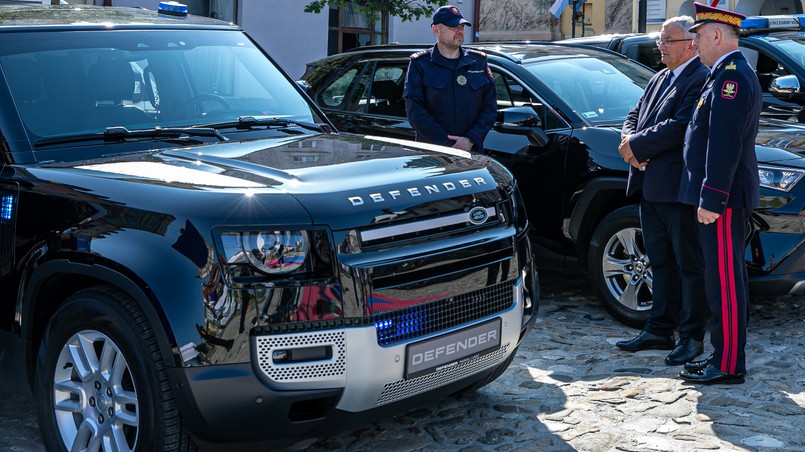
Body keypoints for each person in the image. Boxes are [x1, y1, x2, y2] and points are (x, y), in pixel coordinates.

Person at [615, 16, 709, 367]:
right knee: (660, 261)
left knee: (688, 264)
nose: (661, 46)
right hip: (649, 185)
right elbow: (634, 113)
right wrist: (628, 140)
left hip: (677, 188)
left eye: (667, 40)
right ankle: (658, 327)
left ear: (691, 44)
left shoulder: (700, 77)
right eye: (660, 40)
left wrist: (636, 145)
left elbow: (682, 126)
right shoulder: (659, 77)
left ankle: (691, 336)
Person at [678, 2, 762, 385]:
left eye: (697, 36)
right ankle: (723, 355)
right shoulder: (723, 74)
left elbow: (724, 145)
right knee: (723, 279)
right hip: (721, 196)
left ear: (716, 35)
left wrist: (711, 198)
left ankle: (728, 363)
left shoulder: (733, 77)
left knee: (725, 283)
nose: (694, 43)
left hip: (723, 199)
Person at [403, 4, 496, 151]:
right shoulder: (420, 64)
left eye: (462, 27)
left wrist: (471, 139)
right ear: (436, 30)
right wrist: (447, 145)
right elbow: (415, 111)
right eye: (453, 27)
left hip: (470, 151)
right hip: (433, 152)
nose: (459, 32)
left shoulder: (477, 62)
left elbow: (489, 107)